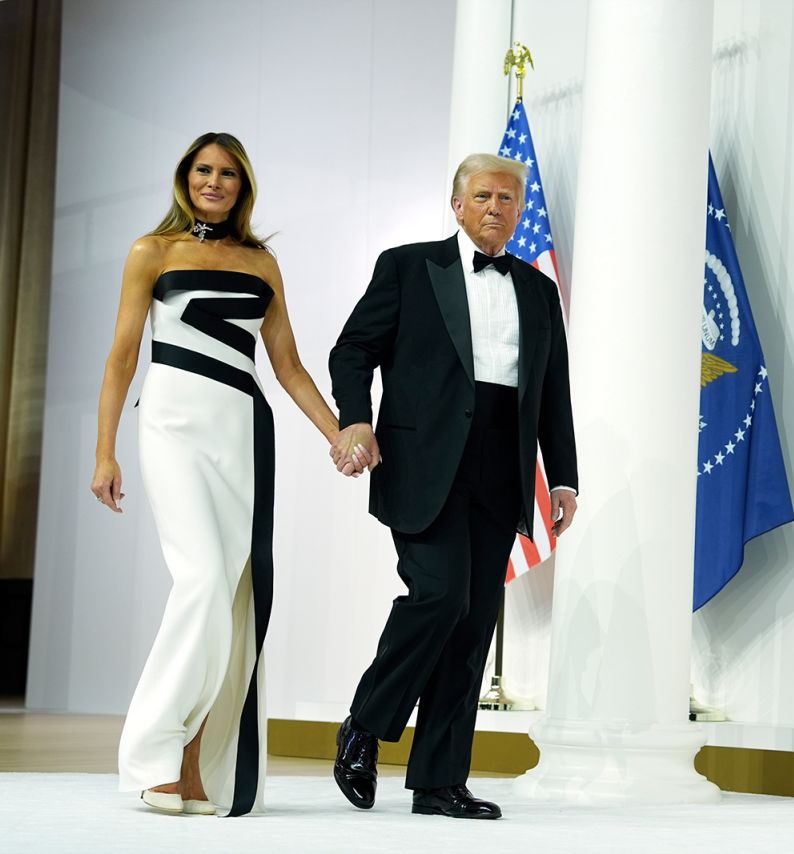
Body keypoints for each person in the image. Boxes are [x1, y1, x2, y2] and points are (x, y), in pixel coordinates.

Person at [90, 132, 340, 817]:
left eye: (228, 173)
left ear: (243, 185)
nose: (214, 182)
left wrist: (336, 435)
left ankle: (198, 765)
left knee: (234, 598)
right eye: (203, 170)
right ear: (185, 177)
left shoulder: (262, 262)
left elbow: (287, 366)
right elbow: (121, 358)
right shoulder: (154, 251)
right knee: (201, 578)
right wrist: (104, 450)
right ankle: (153, 755)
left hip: (243, 433)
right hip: (171, 424)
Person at [327, 152, 579, 820]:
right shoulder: (408, 266)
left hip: (502, 463)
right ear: (458, 203)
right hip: (422, 460)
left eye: (509, 198)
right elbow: (352, 350)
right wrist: (355, 419)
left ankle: (439, 781)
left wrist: (564, 477)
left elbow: (552, 390)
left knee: (472, 624)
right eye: (484, 195)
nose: (498, 207)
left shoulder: (537, 289)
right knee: (438, 597)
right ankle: (365, 721)